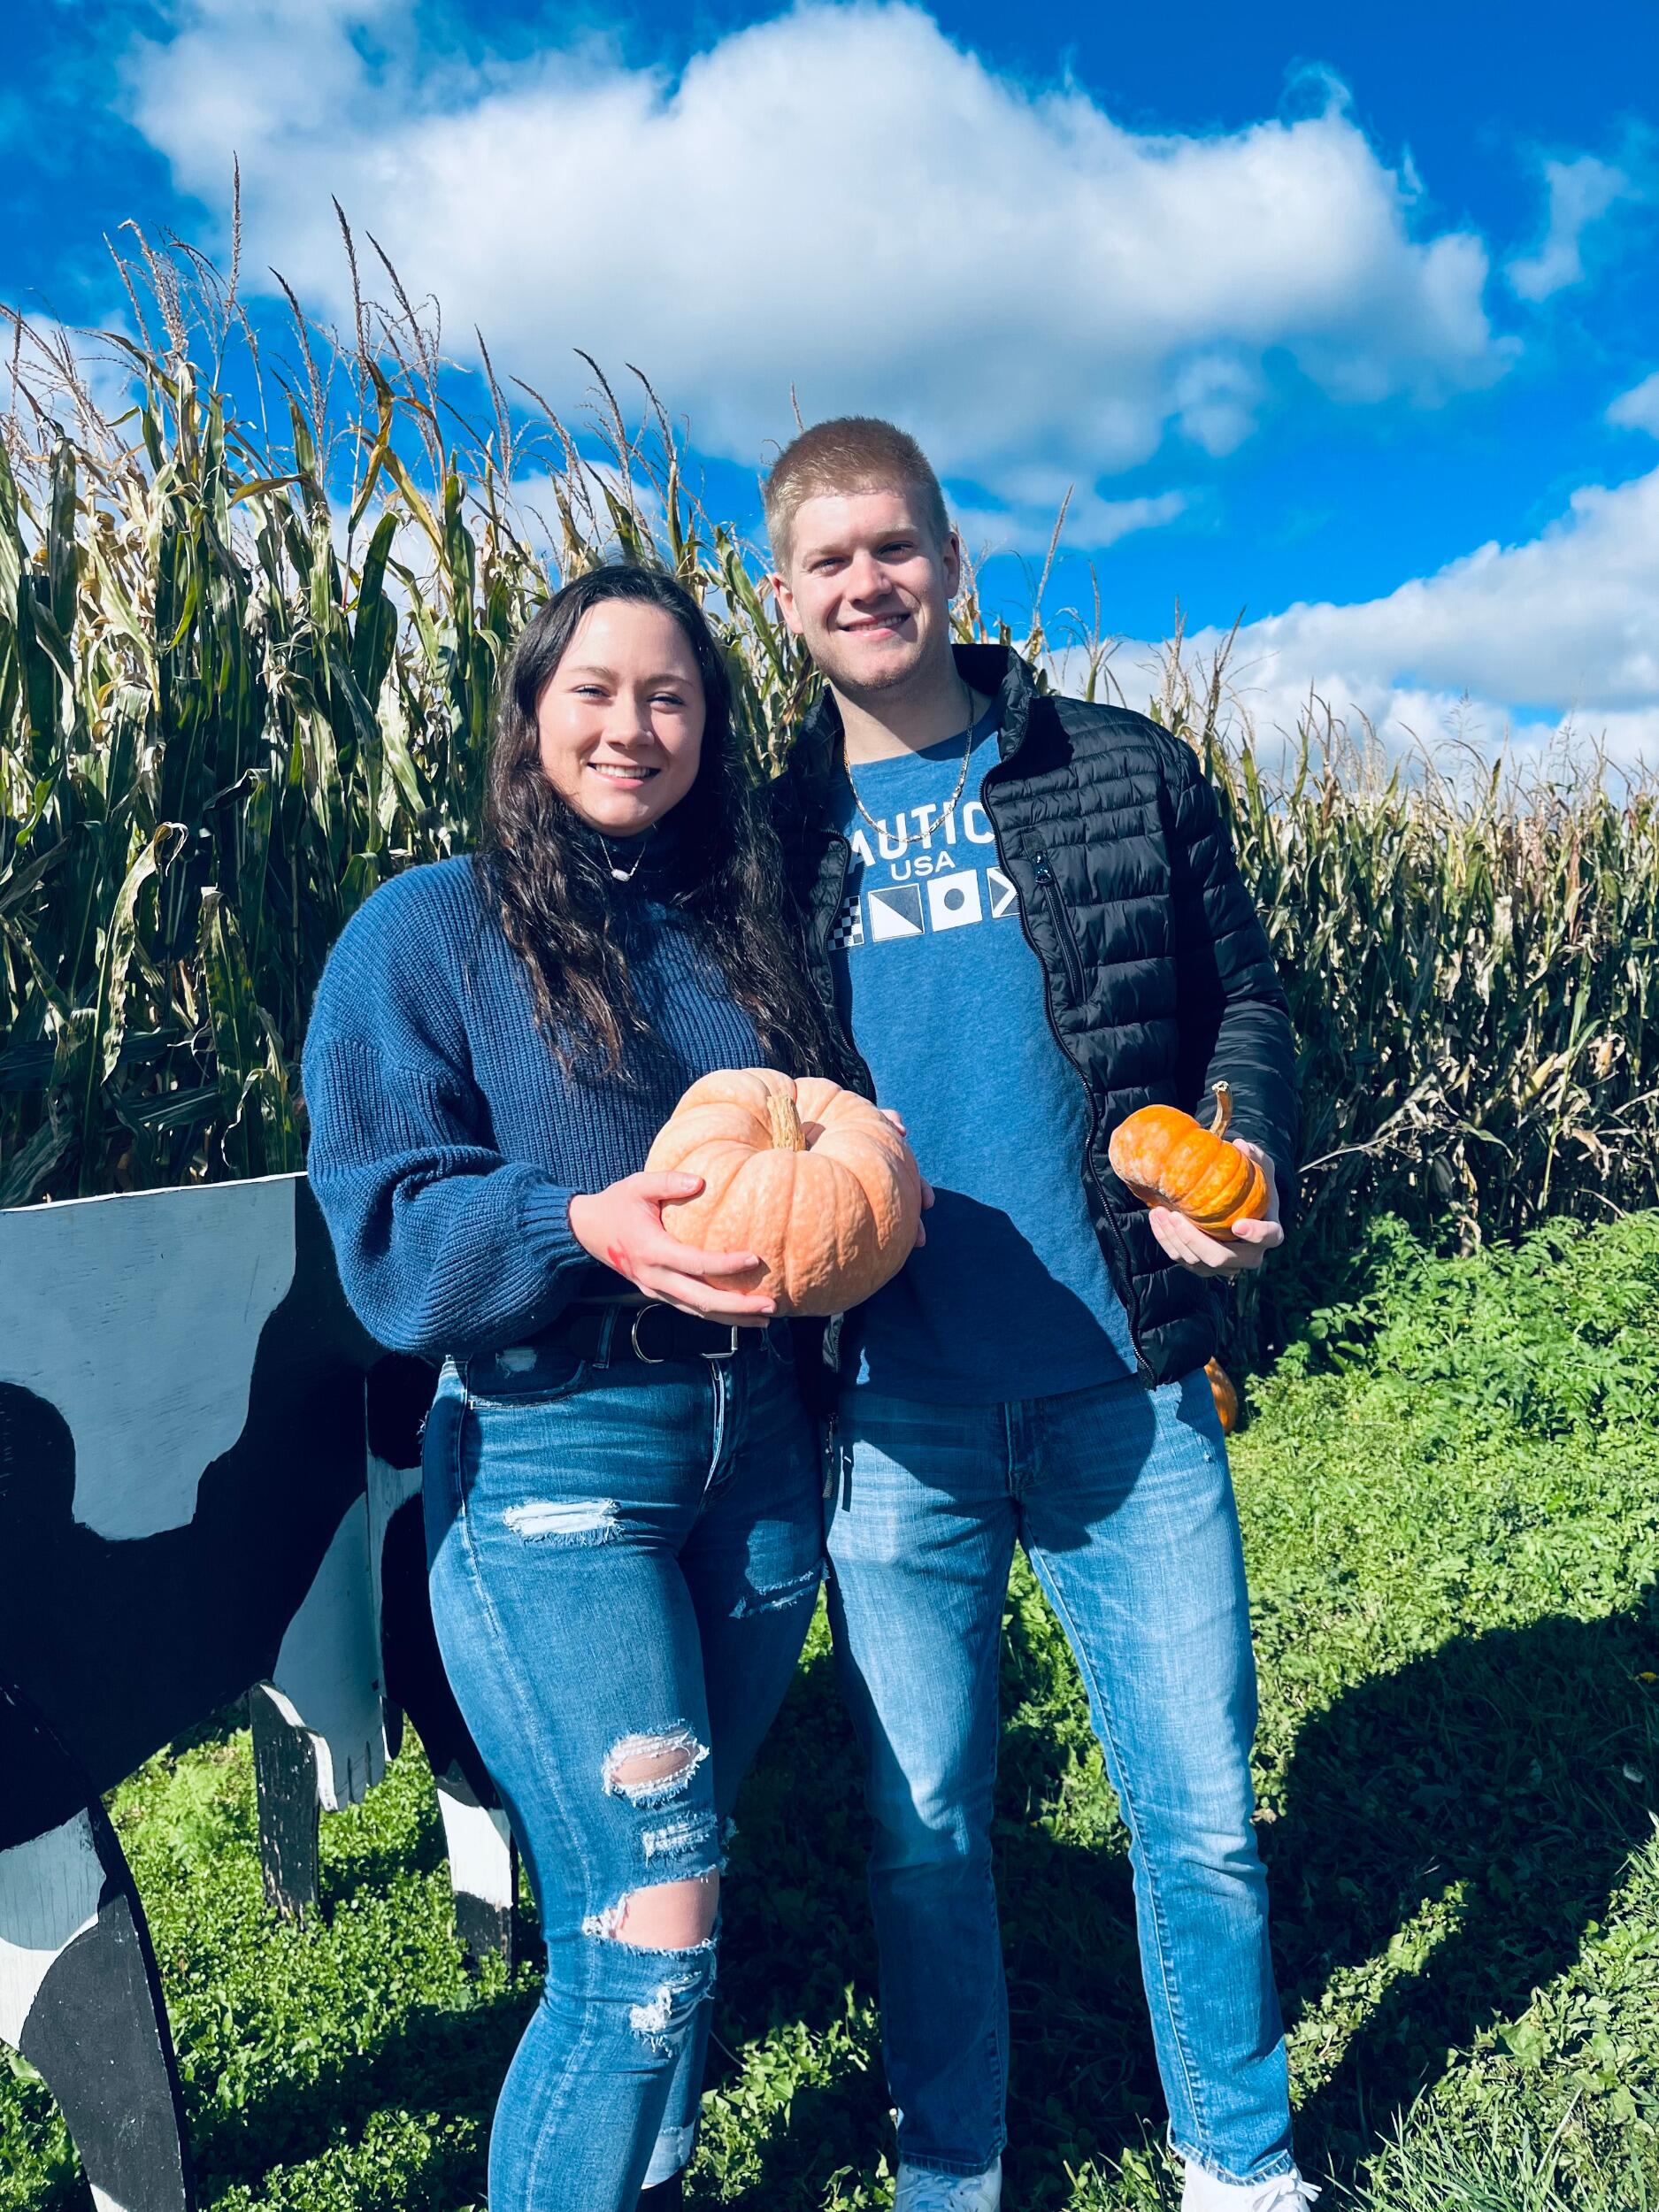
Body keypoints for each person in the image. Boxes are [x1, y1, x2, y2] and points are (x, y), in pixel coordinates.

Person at [765, 419, 1312, 2212]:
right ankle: (954, 2164)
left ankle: (1235, 2160)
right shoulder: (767, 840)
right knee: (922, 1838)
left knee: (1201, 1818)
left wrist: (1237, 1149)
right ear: (782, 597)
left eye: (892, 545)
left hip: (1123, 1387)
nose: (866, 581)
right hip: (892, 1417)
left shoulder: (1114, 768)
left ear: (950, 559)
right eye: (826, 558)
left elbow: (1244, 995)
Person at [302, 564, 839, 2212]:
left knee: (678, 1885)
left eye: (670, 695)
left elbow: (831, 1161)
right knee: (643, 1938)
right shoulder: (428, 930)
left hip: (758, 1456)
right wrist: (572, 1223)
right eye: (594, 689)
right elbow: (384, 1227)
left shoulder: (743, 931)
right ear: (530, 712)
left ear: (711, 727)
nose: (632, 725)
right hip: (555, 1453)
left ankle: (647, 2184)